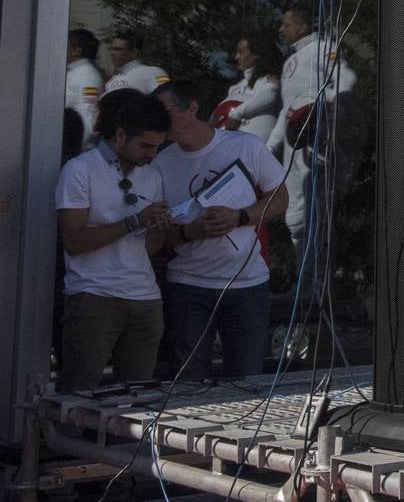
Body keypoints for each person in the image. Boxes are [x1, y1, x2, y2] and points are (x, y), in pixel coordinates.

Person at [154, 80, 288, 380]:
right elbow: (158, 236)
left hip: (246, 283)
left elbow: (280, 198)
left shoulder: (244, 145)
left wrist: (241, 216)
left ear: (192, 107)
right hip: (188, 285)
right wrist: (192, 231)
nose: (160, 120)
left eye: (166, 110)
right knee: (188, 384)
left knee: (245, 381)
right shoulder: (159, 164)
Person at [54, 95, 172, 392]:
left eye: (158, 146)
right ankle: (66, 440)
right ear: (120, 135)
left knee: (139, 399)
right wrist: (134, 222)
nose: (152, 154)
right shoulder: (80, 170)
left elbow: (148, 246)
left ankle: (125, 441)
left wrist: (158, 227)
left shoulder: (152, 174)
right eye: (145, 145)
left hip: (144, 297)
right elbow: (74, 240)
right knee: (79, 393)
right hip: (94, 295)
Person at [266, 5, 355, 265]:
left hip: (317, 142)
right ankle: (303, 286)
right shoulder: (291, 60)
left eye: (286, 24)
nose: (281, 30)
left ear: (303, 26)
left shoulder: (322, 48)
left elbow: (344, 83)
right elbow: (287, 109)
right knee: (294, 216)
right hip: (294, 145)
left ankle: (317, 286)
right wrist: (269, 146)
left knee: (313, 212)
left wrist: (321, 113)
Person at [221, 34, 283, 143]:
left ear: (256, 54)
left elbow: (270, 96)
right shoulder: (235, 88)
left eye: (241, 52)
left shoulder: (268, 80)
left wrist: (236, 114)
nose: (236, 57)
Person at [65, 28, 104, 150]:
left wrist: (76, 148)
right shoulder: (72, 72)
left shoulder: (87, 75)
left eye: (66, 44)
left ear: (77, 50)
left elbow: (87, 114)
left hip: (75, 147)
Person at [103, 31, 169, 95]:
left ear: (135, 53)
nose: (112, 53)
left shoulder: (155, 72)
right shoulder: (113, 79)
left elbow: (168, 99)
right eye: (112, 49)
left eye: (118, 49)